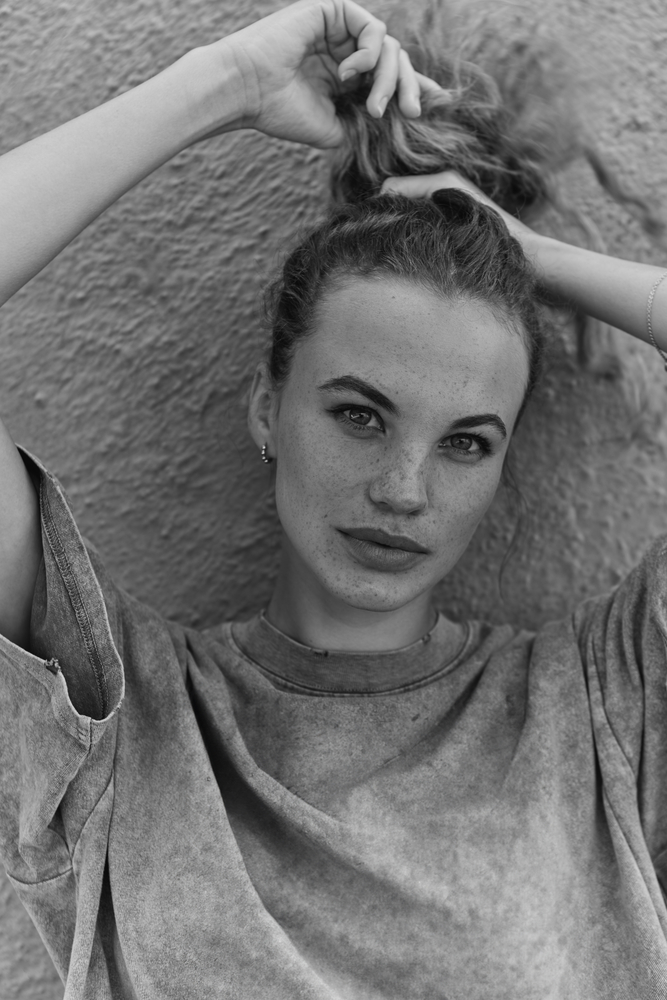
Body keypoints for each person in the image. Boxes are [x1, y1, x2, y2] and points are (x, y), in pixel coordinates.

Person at [1, 1, 667, 997]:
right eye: (359, 415)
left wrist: (532, 262)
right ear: (268, 410)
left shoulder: (603, 712)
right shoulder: (121, 718)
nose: (403, 489)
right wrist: (222, 86)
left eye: (465, 443)